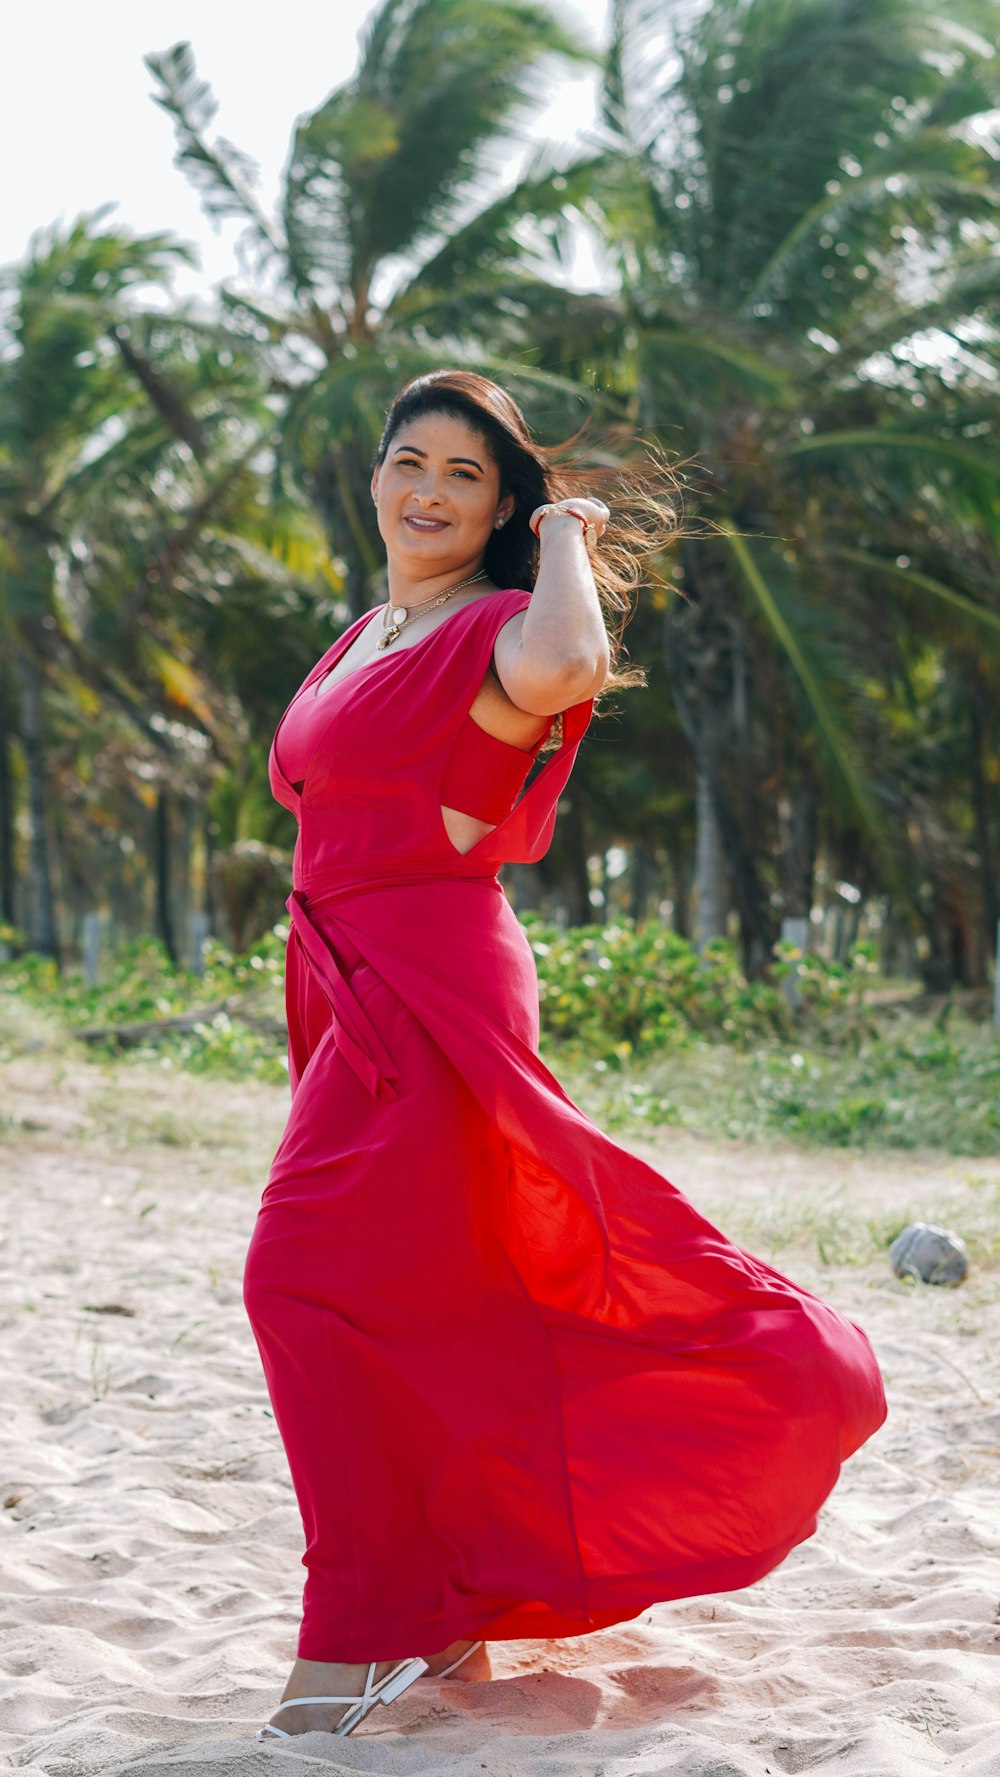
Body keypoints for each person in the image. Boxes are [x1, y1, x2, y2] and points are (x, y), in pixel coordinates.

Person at [243, 369, 887, 1742]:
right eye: (406, 460)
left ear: (499, 505)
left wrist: (570, 537)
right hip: (342, 982)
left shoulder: (493, 624)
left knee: (294, 1276)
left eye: (464, 475)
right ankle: (441, 1607)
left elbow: (570, 667)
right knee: (427, 1292)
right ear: (374, 476)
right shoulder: (364, 632)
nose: (425, 490)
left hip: (430, 982)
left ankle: (359, 1634)